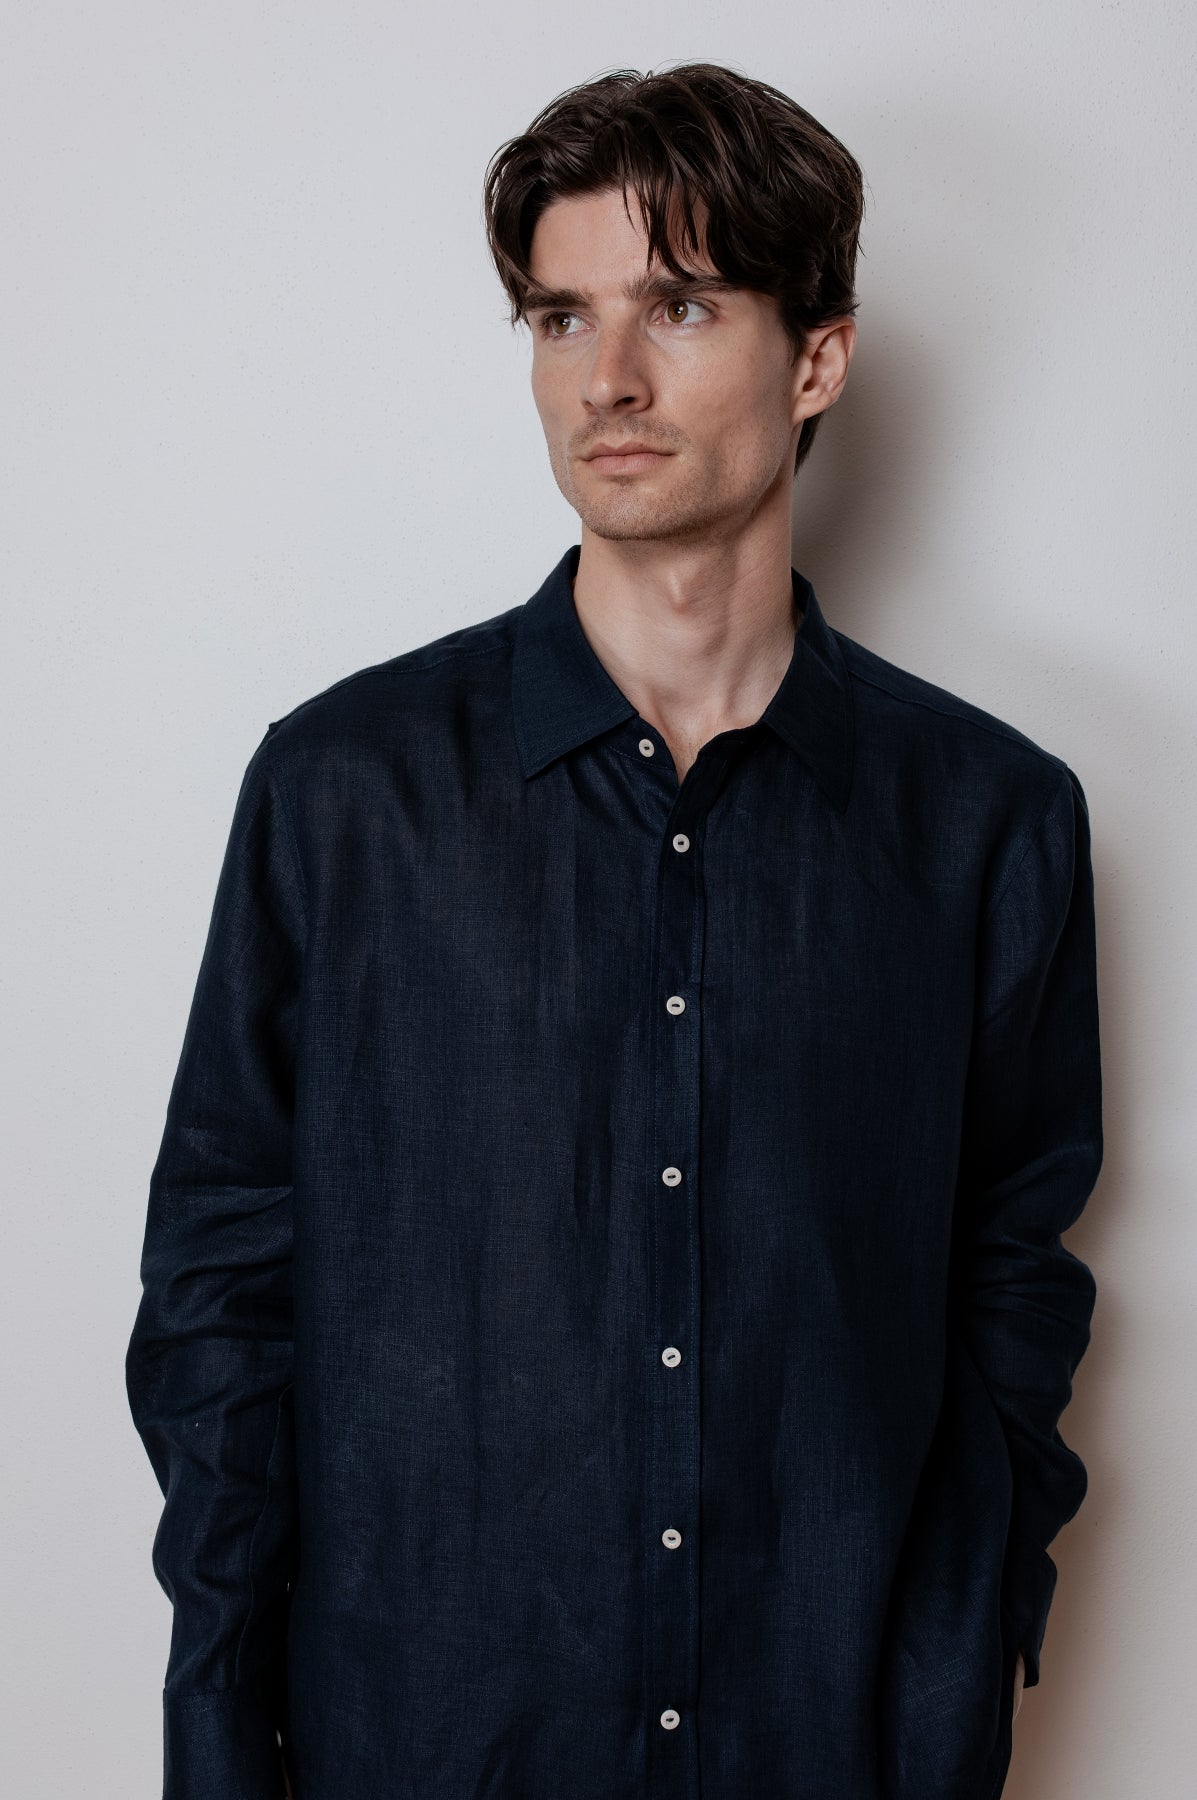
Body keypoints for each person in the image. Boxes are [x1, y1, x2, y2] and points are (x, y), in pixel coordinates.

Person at [125, 61, 1102, 1800]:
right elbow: (219, 1295)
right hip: (418, 1746)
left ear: (816, 359)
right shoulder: (342, 794)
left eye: (681, 305)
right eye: (560, 317)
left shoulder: (984, 822)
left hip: (824, 1748)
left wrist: (955, 1669)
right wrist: (217, 1731)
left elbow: (1010, 1276)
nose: (607, 380)